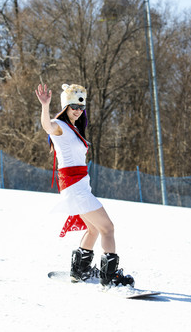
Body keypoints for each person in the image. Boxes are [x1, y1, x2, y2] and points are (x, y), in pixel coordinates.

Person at [35, 82, 134, 287]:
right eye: (74, 107)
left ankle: (79, 271)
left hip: (79, 186)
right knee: (108, 228)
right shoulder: (59, 126)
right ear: (65, 108)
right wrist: (45, 106)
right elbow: (47, 126)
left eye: (81, 108)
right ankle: (110, 278)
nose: (78, 111)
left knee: (94, 229)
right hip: (74, 187)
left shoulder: (73, 129)